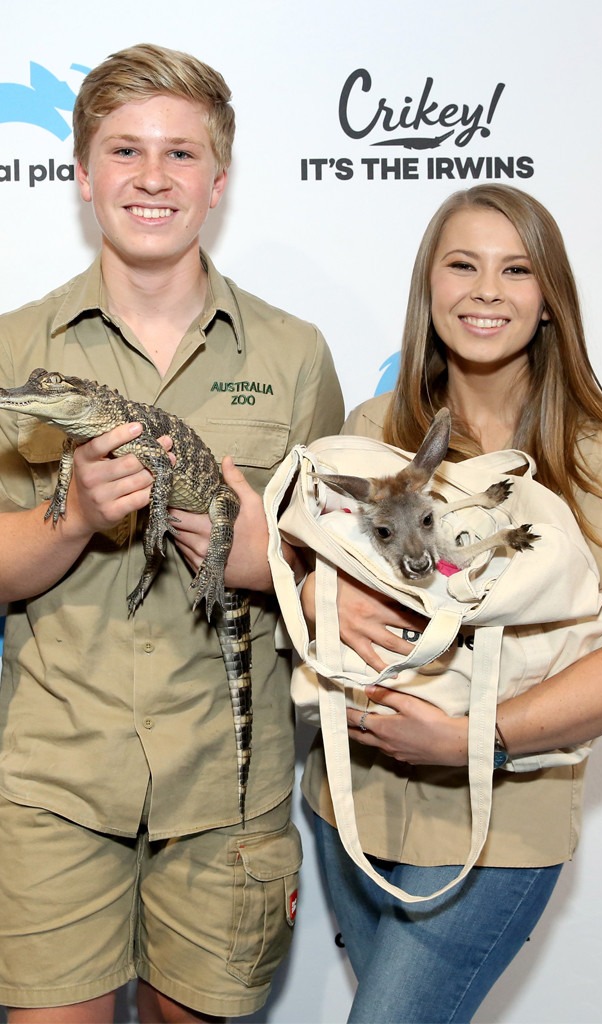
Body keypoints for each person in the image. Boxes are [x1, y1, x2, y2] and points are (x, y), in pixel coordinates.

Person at [0, 43, 343, 1024]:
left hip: (225, 788)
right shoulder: (15, 348)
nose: (153, 178)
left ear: (219, 180)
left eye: (181, 154)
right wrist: (70, 515)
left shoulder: (292, 354)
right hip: (54, 784)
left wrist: (262, 559)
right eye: (125, 151)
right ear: (81, 173)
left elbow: (340, 578)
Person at [300, 184, 602, 1023]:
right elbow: (317, 569)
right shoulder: (371, 429)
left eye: (516, 269)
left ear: (549, 299)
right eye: (463, 265)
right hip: (351, 801)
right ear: (430, 288)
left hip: (500, 825)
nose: (487, 290)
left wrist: (471, 740)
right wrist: (313, 590)